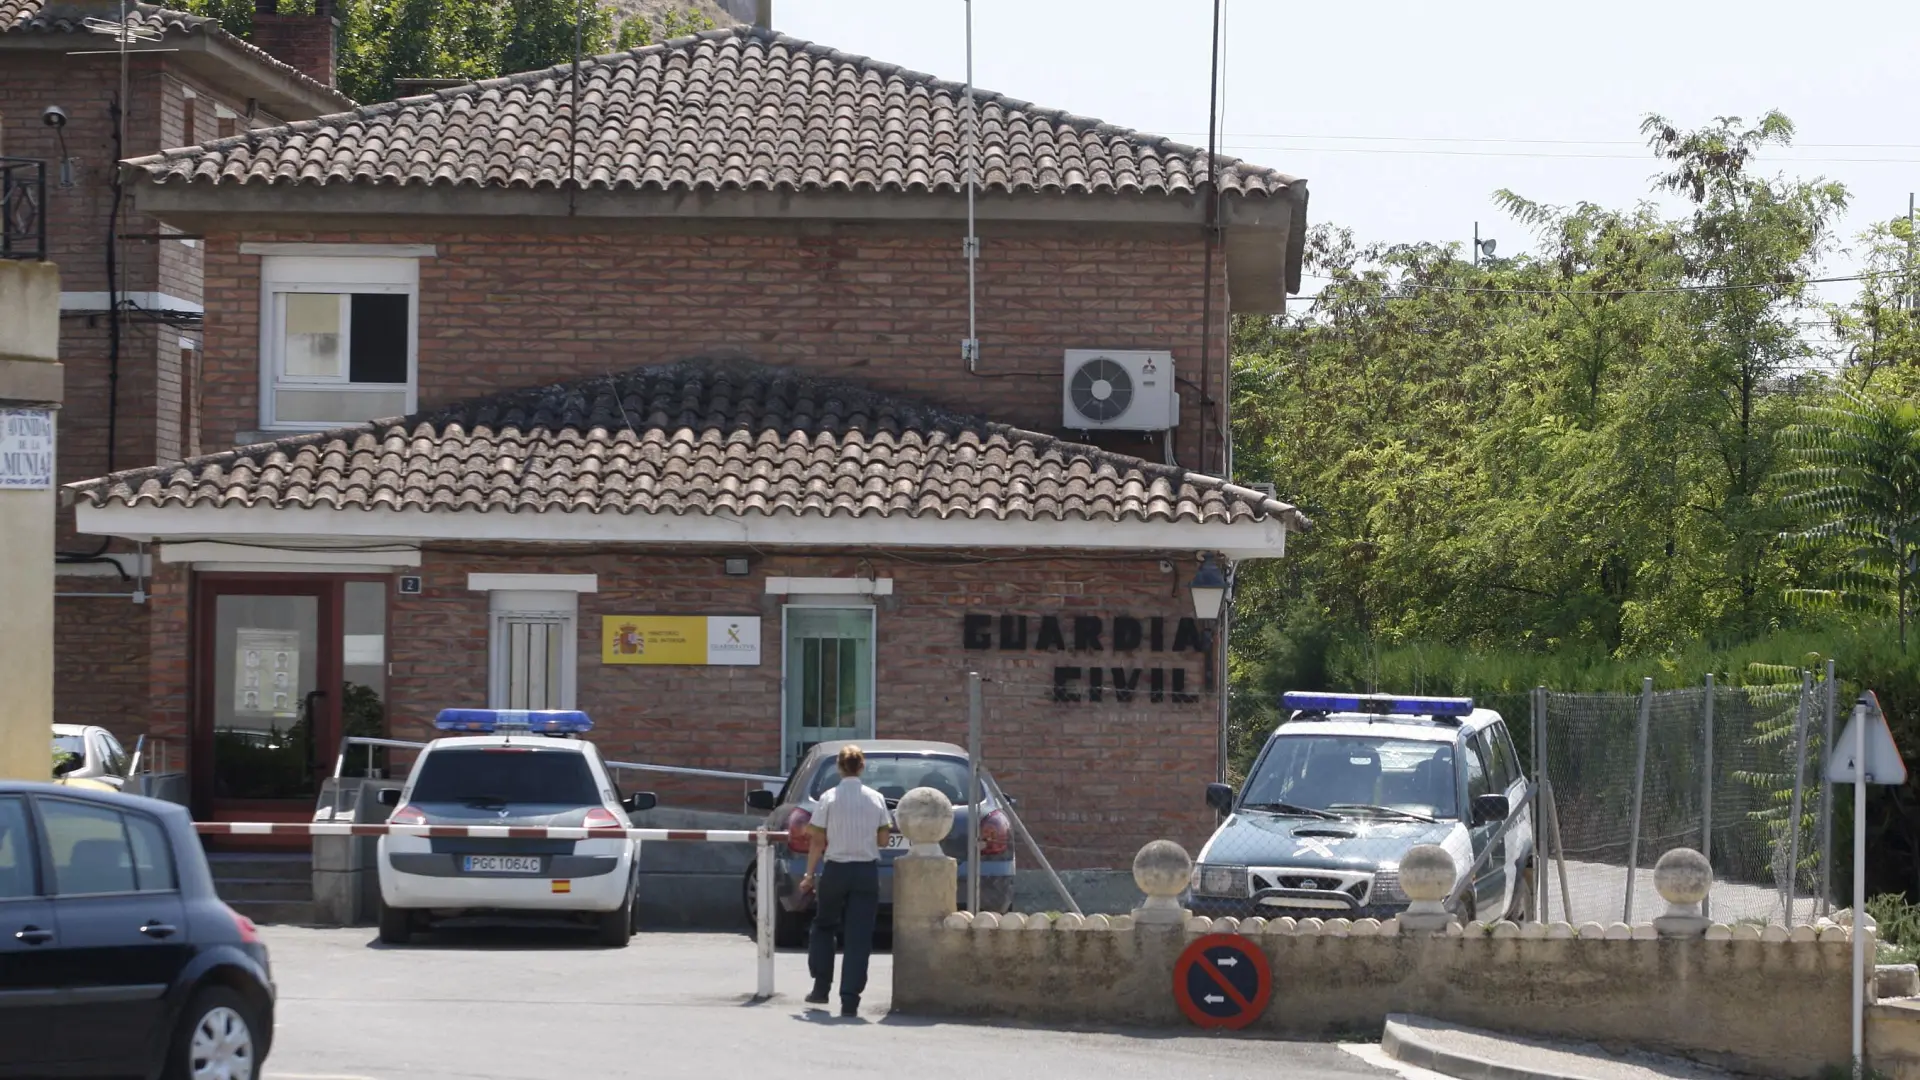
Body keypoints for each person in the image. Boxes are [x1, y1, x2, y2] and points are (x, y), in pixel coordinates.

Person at [798, 744, 891, 1017]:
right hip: (865, 872)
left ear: (839, 768)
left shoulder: (828, 798)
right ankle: (850, 999)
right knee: (859, 936)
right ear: (862, 767)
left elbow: (817, 841)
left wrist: (809, 875)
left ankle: (821, 986)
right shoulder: (876, 799)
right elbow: (884, 839)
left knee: (825, 926)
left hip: (835, 870)